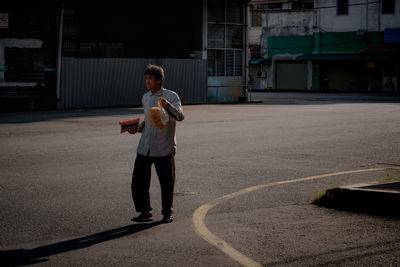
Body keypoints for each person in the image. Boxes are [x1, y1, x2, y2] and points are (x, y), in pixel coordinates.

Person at [128, 64, 184, 223]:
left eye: (150, 78)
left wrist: (167, 105)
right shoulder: (145, 97)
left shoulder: (171, 96)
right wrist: (137, 129)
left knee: (167, 183)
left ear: (159, 80)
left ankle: (167, 213)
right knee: (138, 182)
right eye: (146, 78)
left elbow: (180, 117)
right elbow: (148, 121)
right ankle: (145, 212)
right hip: (145, 147)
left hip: (164, 147)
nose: (147, 81)